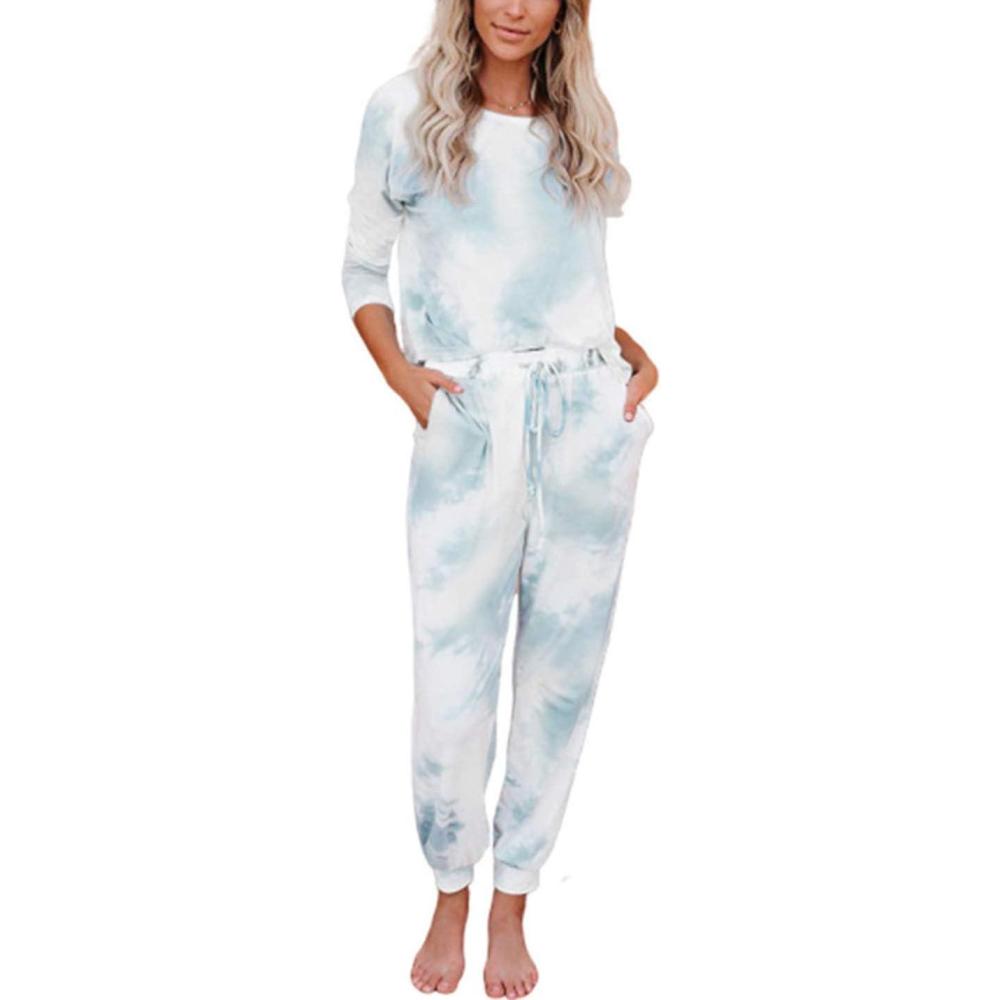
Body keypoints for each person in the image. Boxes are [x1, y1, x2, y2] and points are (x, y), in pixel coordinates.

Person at [341, 2, 658, 995]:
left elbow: (571, 279)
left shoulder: (580, 119)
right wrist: (407, 383)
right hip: (472, 424)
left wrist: (633, 361)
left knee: (563, 675)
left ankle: (514, 899)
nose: (516, 6)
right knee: (452, 680)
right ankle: (450, 890)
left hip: (585, 423)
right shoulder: (404, 110)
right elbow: (361, 270)